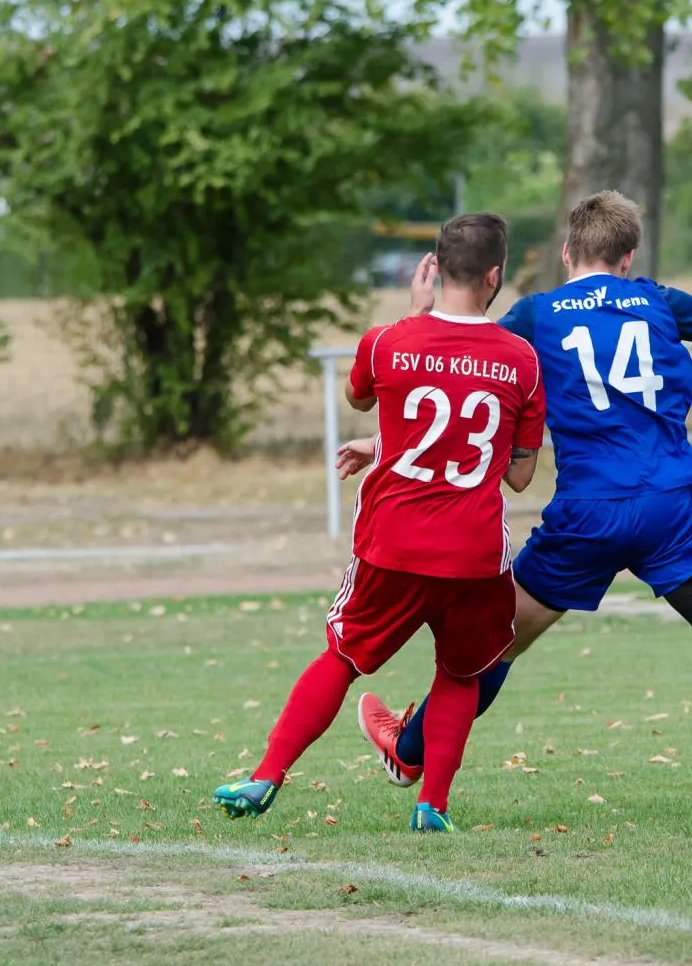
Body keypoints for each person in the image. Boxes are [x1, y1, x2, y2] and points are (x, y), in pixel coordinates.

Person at [347, 191, 692, 819]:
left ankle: (408, 750)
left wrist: (384, 431)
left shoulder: (539, 314)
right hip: (672, 506)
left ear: (566, 252)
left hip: (590, 513)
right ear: (628, 258)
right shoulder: (657, 300)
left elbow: (458, 382)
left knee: (492, 648)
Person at [213, 213, 544, 833]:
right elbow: (520, 477)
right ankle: (432, 806)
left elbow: (363, 398)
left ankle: (266, 776)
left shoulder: (388, 341)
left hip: (394, 543)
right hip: (474, 552)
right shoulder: (521, 360)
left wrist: (413, 317)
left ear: (435, 271)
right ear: (495, 276)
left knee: (342, 654)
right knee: (461, 673)